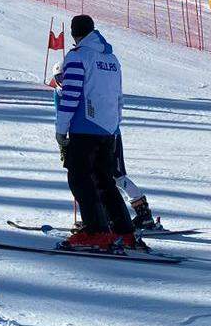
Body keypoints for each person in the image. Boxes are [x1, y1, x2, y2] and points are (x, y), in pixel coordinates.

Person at [54, 15, 136, 252]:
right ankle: (123, 230)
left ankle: (96, 231)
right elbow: (118, 96)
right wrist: (114, 125)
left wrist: (61, 130)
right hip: (108, 128)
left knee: (80, 178)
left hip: (85, 126)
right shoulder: (111, 58)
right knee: (104, 180)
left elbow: (70, 96)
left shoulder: (78, 57)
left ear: (74, 34)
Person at [49, 61, 155, 232]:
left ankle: (143, 213)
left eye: (65, 77)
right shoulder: (58, 93)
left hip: (108, 135)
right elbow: (60, 114)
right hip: (83, 138)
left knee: (116, 176)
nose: (62, 81)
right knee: (92, 177)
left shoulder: (84, 88)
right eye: (59, 78)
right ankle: (101, 217)